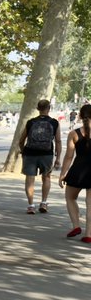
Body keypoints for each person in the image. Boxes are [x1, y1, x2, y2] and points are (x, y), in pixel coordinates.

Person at [19, 98, 62, 214]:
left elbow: (21, 140)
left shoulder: (31, 122)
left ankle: (31, 205)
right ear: (49, 108)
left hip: (30, 154)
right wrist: (58, 158)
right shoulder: (54, 123)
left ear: (38, 109)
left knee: (30, 179)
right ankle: (44, 202)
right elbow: (58, 141)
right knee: (46, 177)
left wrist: (23, 151)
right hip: (46, 154)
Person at [57, 102, 91, 241]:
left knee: (70, 197)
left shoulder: (74, 134)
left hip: (78, 171)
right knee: (90, 204)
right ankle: (88, 235)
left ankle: (76, 226)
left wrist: (62, 174)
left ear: (80, 116)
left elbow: (69, 156)